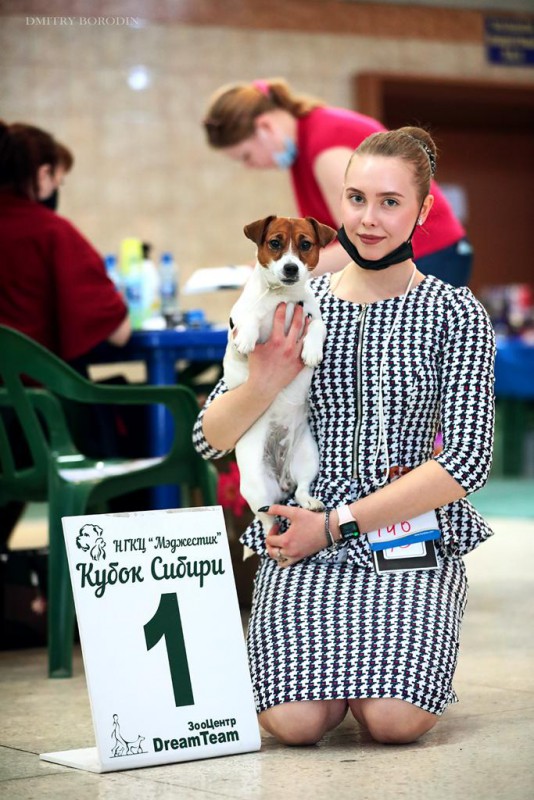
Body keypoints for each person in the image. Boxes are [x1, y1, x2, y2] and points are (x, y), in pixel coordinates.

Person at [193, 126, 495, 745]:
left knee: (393, 720)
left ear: (423, 211)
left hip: (406, 527)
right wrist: (263, 380)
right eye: (356, 199)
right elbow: (210, 437)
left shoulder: (455, 312)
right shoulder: (293, 303)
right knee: (293, 723)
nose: (369, 219)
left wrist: (334, 526)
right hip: (300, 527)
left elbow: (467, 462)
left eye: (390, 202)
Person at [0, 121, 131, 551]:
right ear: (42, 175)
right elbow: (119, 332)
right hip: (44, 430)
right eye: (58, 178)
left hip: (7, 432)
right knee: (142, 417)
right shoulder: (50, 232)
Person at [203, 78, 472, 286]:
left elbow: (358, 244)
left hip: (427, 255)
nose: (250, 166)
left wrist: (269, 270)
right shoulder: (308, 141)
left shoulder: (325, 148)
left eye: (246, 156)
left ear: (265, 127)